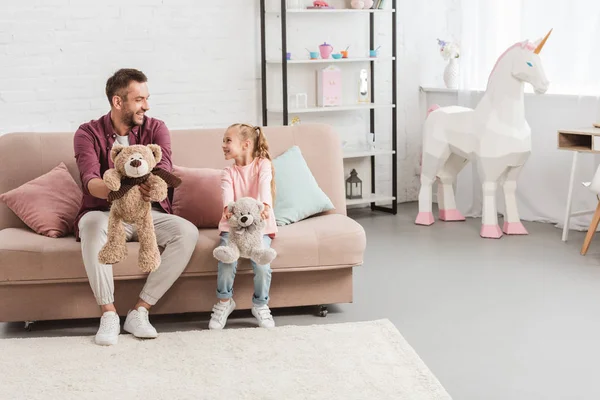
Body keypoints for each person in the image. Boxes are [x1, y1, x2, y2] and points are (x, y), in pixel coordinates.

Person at [73, 68, 199, 346]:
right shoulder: (87, 133)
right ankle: (108, 314)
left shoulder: (156, 128)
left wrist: (155, 185)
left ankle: (140, 311)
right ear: (118, 102)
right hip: (104, 213)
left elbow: (164, 169)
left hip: (147, 213)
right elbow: (90, 181)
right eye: (140, 99)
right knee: (92, 226)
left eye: (147, 98)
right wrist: (120, 185)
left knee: (187, 232)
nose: (147, 105)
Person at [208, 123, 277, 330]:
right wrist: (228, 210)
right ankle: (224, 302)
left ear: (246, 145)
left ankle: (260, 304)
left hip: (259, 226)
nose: (223, 145)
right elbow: (227, 195)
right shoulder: (227, 172)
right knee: (227, 261)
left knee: (262, 264)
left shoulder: (262, 165)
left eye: (228, 140)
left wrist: (265, 206)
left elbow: (265, 185)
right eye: (223, 140)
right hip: (234, 226)